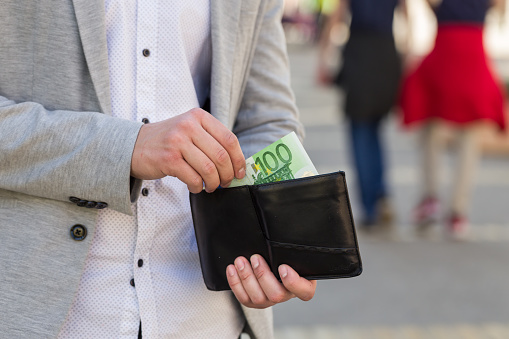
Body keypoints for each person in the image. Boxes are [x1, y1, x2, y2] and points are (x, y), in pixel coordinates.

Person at [0, 1, 317, 338]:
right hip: (42, 310)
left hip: (205, 314)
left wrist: (274, 243)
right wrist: (126, 147)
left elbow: (266, 119)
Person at [399, 0, 507, 240]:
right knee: (470, 137)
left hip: (445, 51)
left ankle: (430, 197)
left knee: (431, 128)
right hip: (473, 54)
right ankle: (457, 211)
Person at [318, 0, 407, 230]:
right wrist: (405, 57)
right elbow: (407, 18)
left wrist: (323, 58)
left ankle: (369, 206)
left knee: (359, 131)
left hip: (360, 55)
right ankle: (380, 193)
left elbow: (336, 17)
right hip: (386, 54)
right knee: (375, 130)